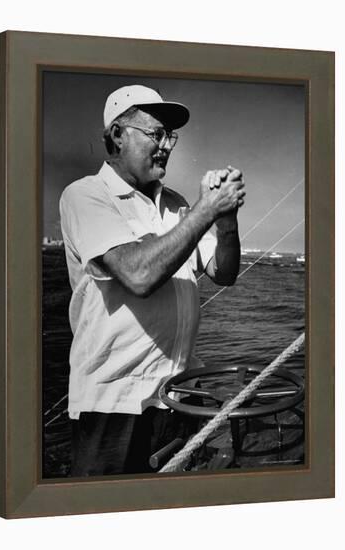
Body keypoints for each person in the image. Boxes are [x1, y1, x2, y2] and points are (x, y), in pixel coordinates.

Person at [59, 84, 245, 476]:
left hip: (177, 396)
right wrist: (205, 211)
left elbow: (223, 274)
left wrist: (225, 223)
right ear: (117, 135)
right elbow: (138, 275)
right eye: (155, 134)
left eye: (170, 136)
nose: (166, 146)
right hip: (113, 403)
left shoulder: (177, 204)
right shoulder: (86, 196)